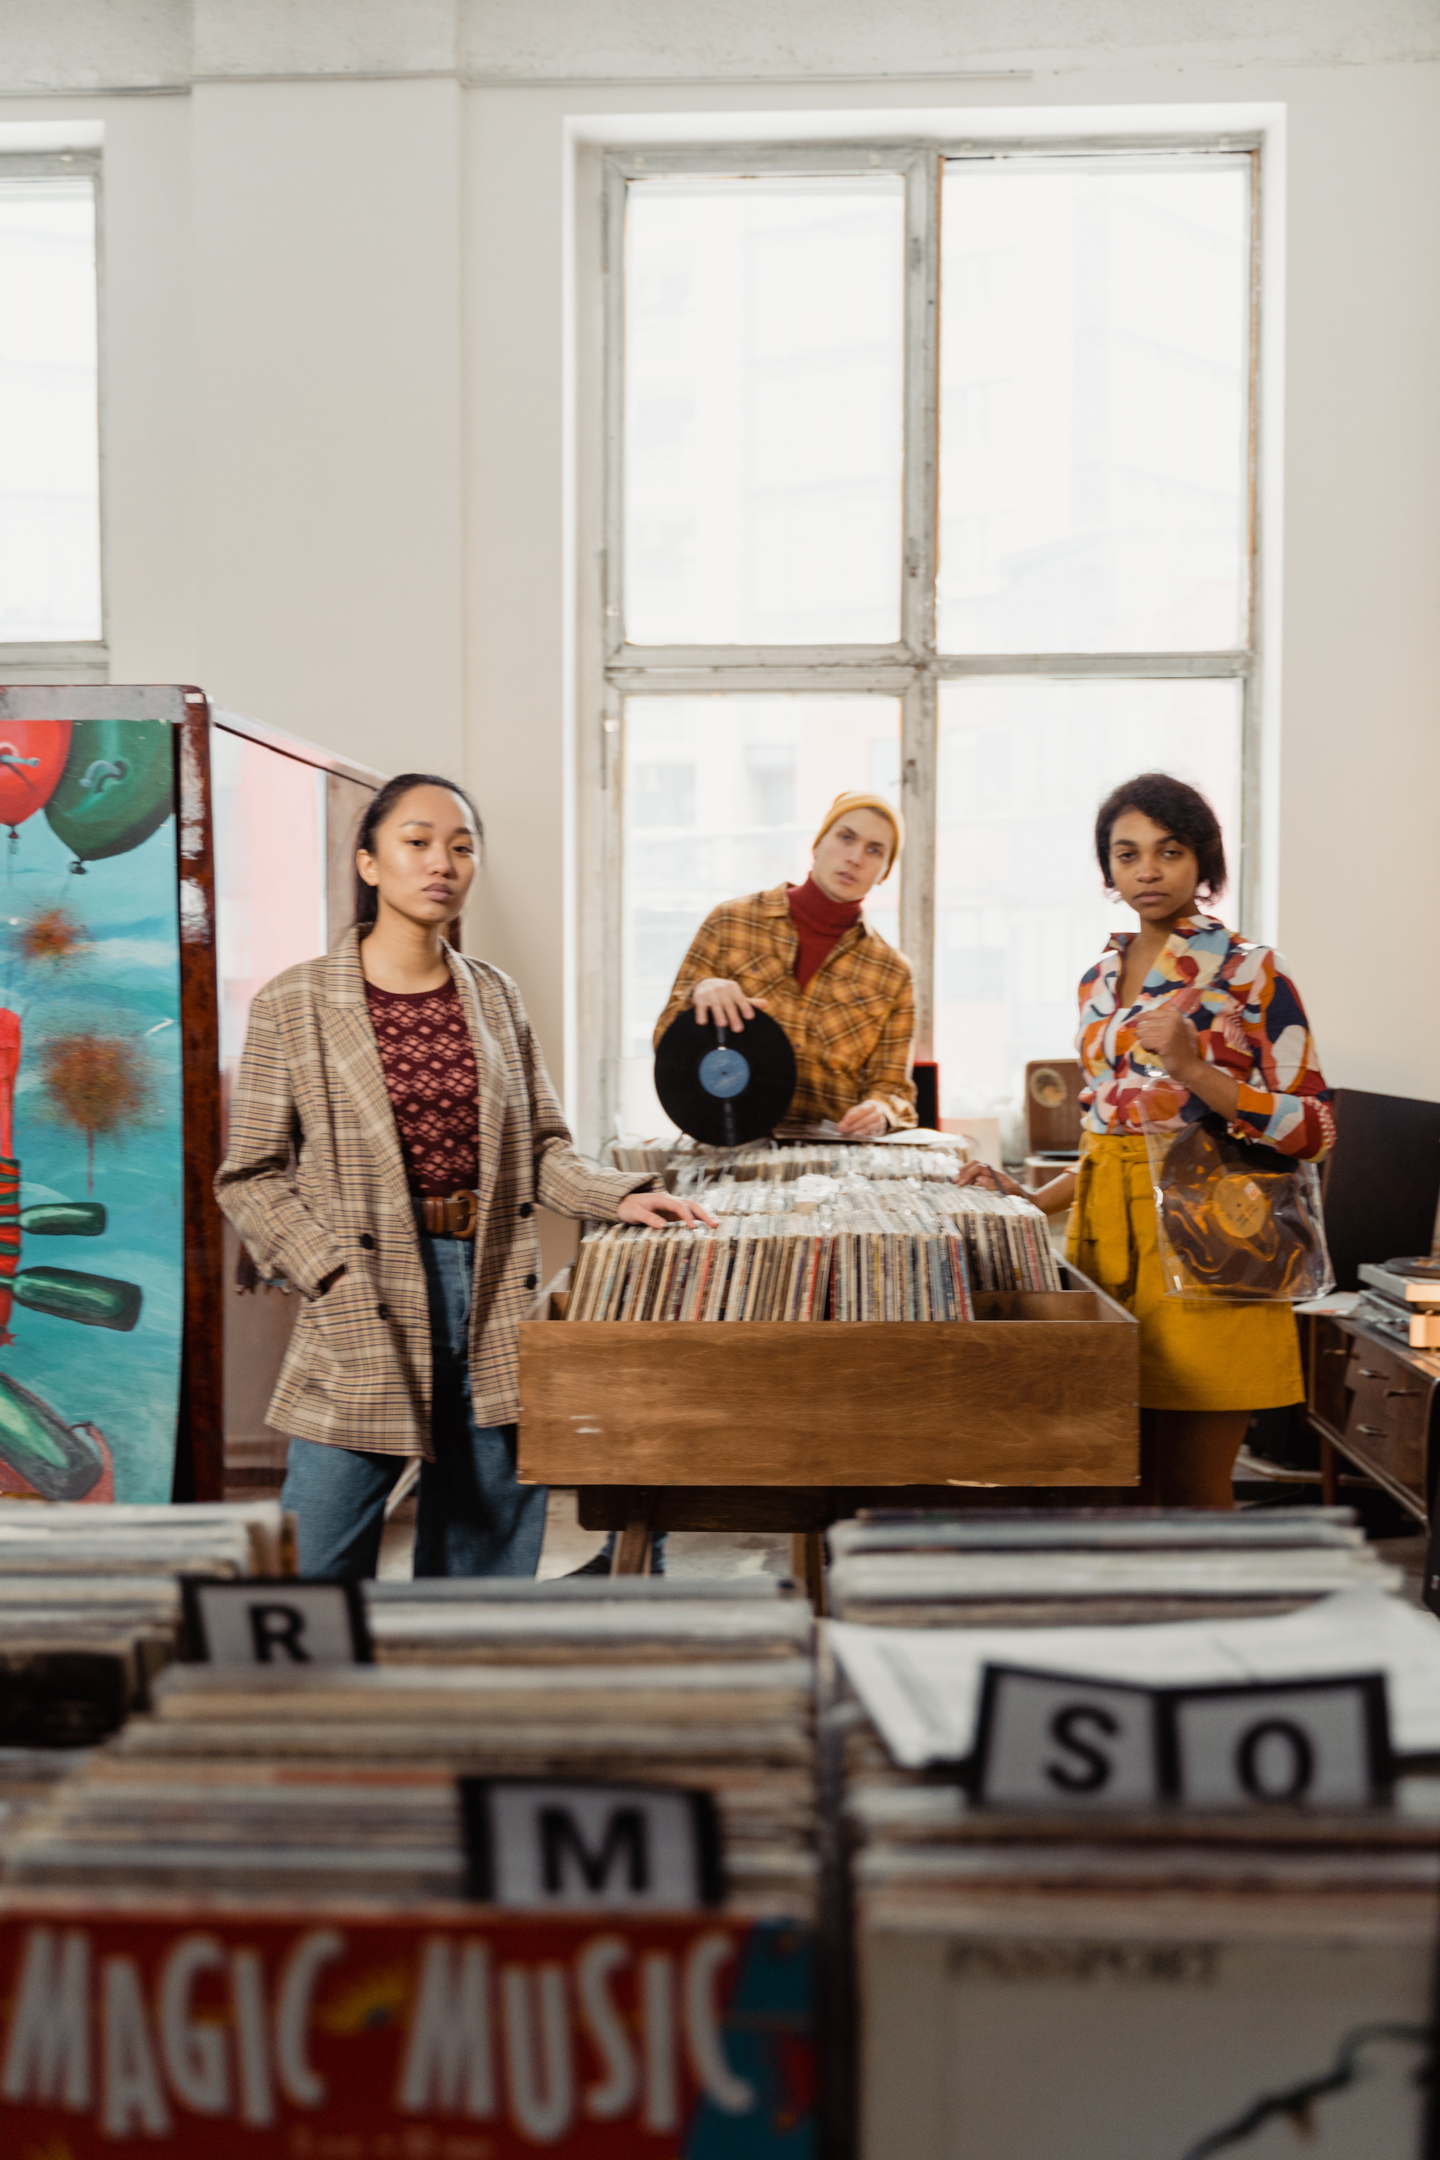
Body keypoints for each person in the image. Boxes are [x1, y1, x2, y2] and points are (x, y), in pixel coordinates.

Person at [216, 772, 713, 1581]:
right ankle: (303, 1704)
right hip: (364, 1289)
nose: (439, 862)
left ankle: (457, 1695)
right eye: (415, 842)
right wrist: (328, 1271)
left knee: (483, 1557)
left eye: (460, 846)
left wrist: (619, 1196)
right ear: (370, 862)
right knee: (314, 1564)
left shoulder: (493, 996)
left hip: (486, 1286)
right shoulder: (295, 1002)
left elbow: (544, 1148)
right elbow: (251, 1177)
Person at [958, 771, 1333, 1510]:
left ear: (1203, 863)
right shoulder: (1097, 979)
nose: (1148, 871)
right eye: (1126, 855)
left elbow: (1314, 1130)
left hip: (1212, 1239)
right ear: (1109, 871)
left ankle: (1207, 1624)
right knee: (1121, 1479)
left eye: (1168, 851)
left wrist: (1193, 1068)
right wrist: (1033, 1197)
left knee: (1193, 1487)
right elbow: (1108, 1133)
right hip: (1107, 1244)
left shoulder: (1253, 971)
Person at [653, 792, 917, 1137]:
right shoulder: (730, 922)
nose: (855, 857)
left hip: (831, 1166)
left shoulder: (893, 973)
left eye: (874, 850)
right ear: (817, 845)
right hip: (726, 1150)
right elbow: (663, 1039)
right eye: (846, 837)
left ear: (884, 872)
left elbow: (894, 1088)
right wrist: (698, 994)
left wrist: (881, 1110)